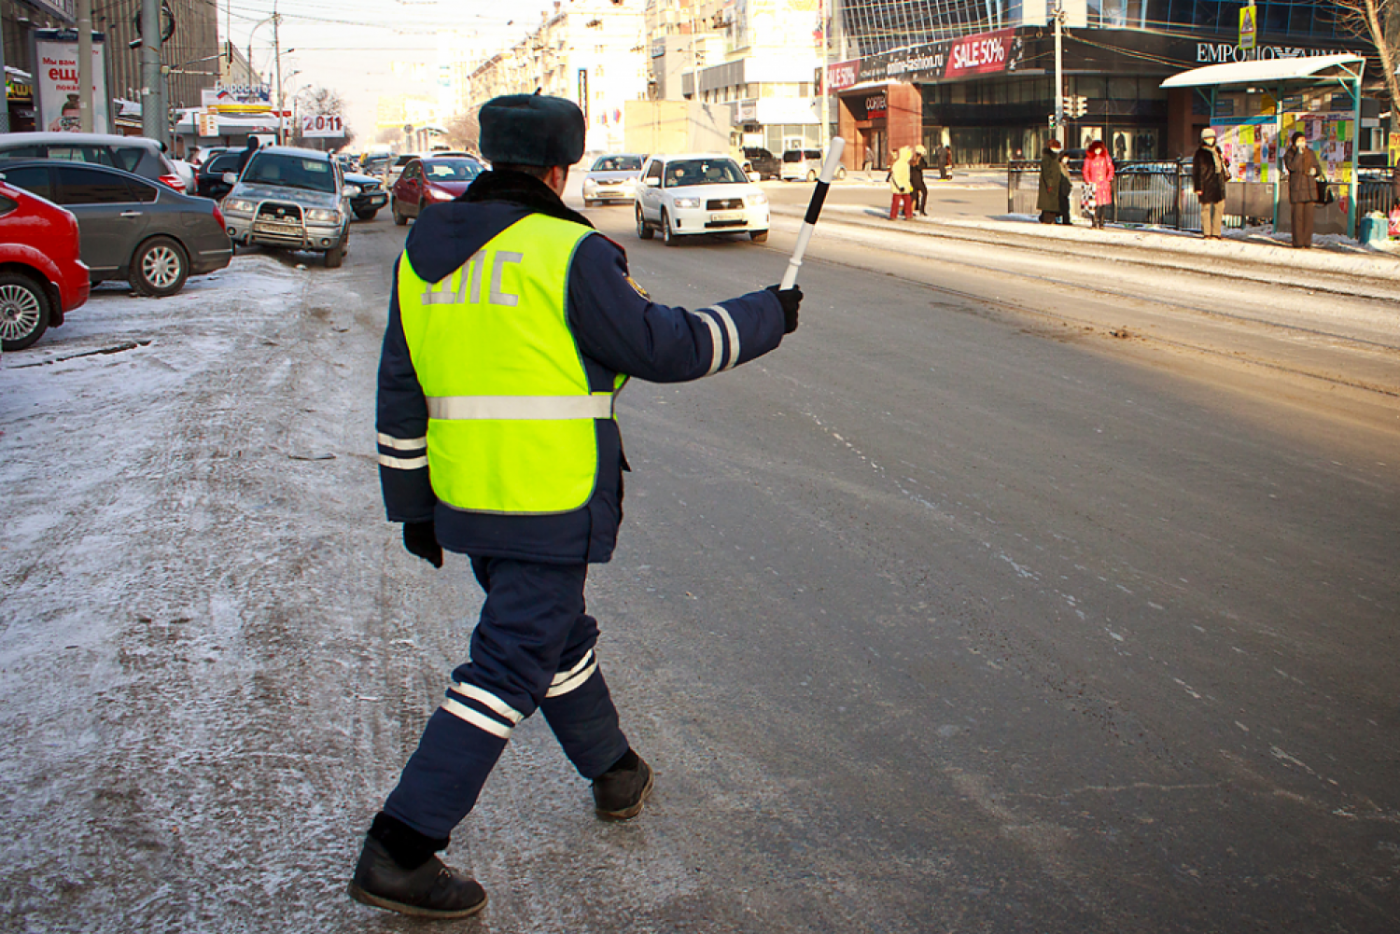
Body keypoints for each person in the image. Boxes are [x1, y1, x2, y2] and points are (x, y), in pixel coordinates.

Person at [350, 93, 802, 921]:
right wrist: (767, 315)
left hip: (466, 496)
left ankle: (615, 770)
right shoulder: (568, 251)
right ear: (560, 169)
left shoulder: (422, 252)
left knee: (554, 636)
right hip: (548, 496)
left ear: (490, 156)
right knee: (507, 665)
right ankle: (403, 847)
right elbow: (664, 346)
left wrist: (412, 503)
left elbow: (400, 385)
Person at [1283, 131, 1321, 249]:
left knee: (1308, 217)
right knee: (1297, 217)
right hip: (1297, 189)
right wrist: (1298, 154)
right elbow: (1292, 167)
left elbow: (1318, 167)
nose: (1302, 143)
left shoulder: (1310, 153)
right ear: (1294, 142)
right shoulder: (1290, 154)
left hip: (1309, 188)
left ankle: (1307, 241)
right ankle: (1298, 242)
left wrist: (1315, 171)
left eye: (1303, 140)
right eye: (1299, 141)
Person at [1192, 128, 1228, 240]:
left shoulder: (1217, 150)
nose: (1210, 140)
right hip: (1206, 183)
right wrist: (1198, 187)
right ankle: (1207, 232)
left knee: (1220, 207)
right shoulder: (1200, 153)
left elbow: (1222, 165)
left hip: (1218, 182)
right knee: (1205, 208)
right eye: (1207, 138)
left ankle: (1216, 232)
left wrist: (1225, 162)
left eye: (1212, 137)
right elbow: (1197, 171)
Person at [1081, 139, 1114, 229]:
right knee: (1093, 204)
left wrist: (1108, 179)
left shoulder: (1106, 158)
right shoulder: (1089, 158)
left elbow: (1111, 169)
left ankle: (1102, 222)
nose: (1098, 151)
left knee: (1102, 204)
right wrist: (1088, 181)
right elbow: (1085, 170)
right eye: (1096, 149)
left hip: (1103, 184)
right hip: (1093, 184)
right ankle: (1094, 222)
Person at [1037, 139, 1067, 224]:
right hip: (1049, 185)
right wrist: (1049, 183)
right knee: (1048, 203)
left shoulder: (1055, 157)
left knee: (1052, 203)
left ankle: (1048, 218)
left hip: (1054, 184)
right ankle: (1047, 219)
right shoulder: (1047, 158)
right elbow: (1047, 172)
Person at [889, 145, 914, 220]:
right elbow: (896, 176)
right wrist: (900, 186)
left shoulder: (906, 164)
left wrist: (909, 185)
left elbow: (906, 178)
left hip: (905, 187)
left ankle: (908, 215)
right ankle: (893, 215)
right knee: (896, 202)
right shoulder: (898, 164)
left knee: (908, 200)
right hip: (898, 187)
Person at [910, 145, 929, 216]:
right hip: (918, 180)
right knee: (924, 192)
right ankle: (921, 210)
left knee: (913, 195)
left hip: (912, 180)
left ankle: (909, 210)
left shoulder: (913, 160)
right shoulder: (918, 160)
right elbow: (921, 166)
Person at [1057, 151, 1074, 225]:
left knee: (1065, 205)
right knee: (1063, 205)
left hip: (1065, 189)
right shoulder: (1060, 166)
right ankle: (1064, 219)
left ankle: (1065, 219)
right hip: (1061, 188)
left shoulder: (1064, 167)